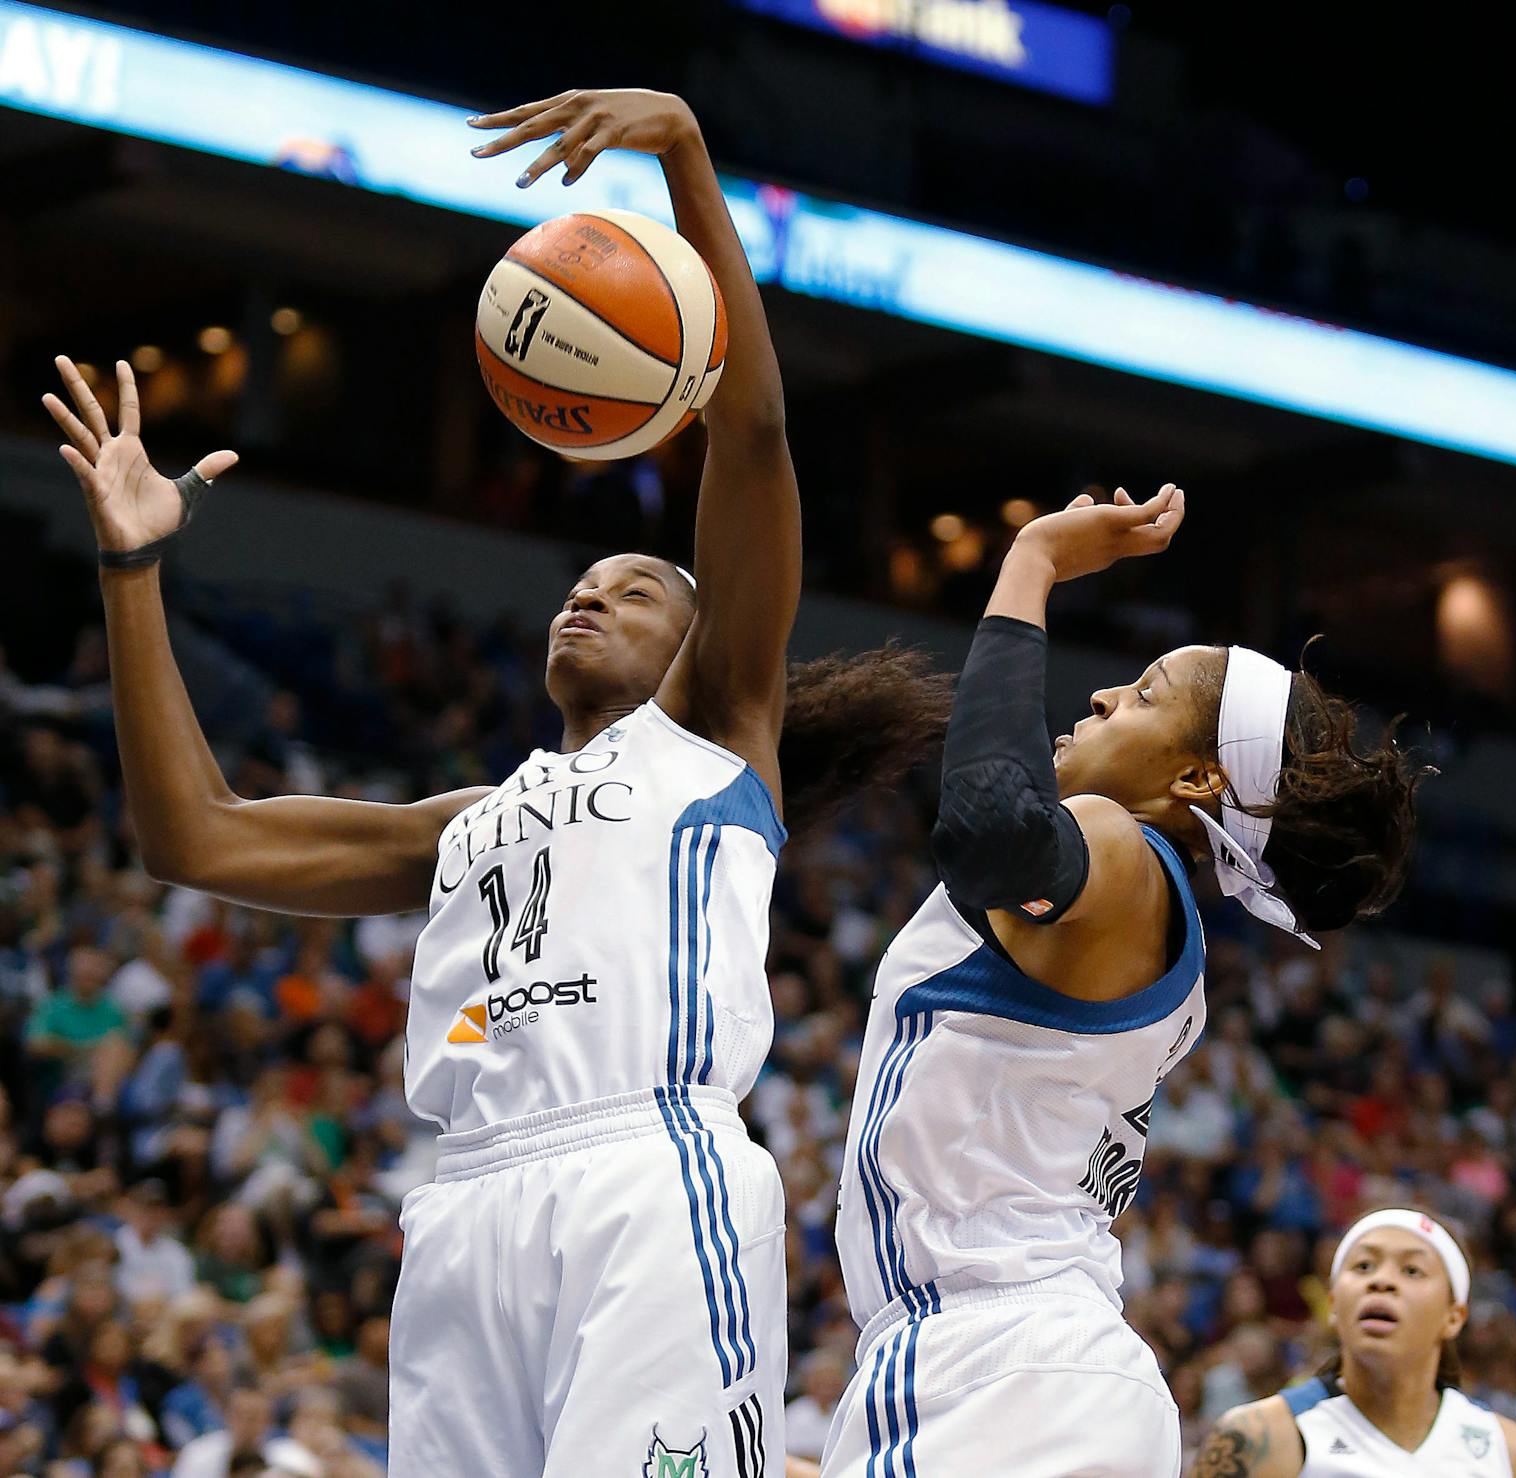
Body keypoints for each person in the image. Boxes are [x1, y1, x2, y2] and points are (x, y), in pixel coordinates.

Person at [43, 88, 945, 1478]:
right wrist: (134, 569)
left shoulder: (710, 741)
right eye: (584, 581)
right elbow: (195, 836)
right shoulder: (468, 823)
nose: (592, 592)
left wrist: (688, 160)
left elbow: (752, 440)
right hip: (462, 1206)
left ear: (707, 644)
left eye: (636, 586)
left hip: (647, 1173)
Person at [822, 489, 1427, 1474]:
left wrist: (1030, 564)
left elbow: (988, 824)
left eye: (1144, 695)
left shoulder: (1119, 848)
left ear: (1195, 781)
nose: (1102, 697)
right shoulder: (1152, 930)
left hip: (996, 1362)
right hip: (1040, 1370)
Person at [1197, 1210, 1516, 1476]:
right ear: (1333, 1306)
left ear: (1454, 1316)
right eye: (1364, 1266)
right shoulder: (1256, 1437)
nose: (1381, 1281)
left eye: (1412, 1271)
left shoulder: (1511, 1452)